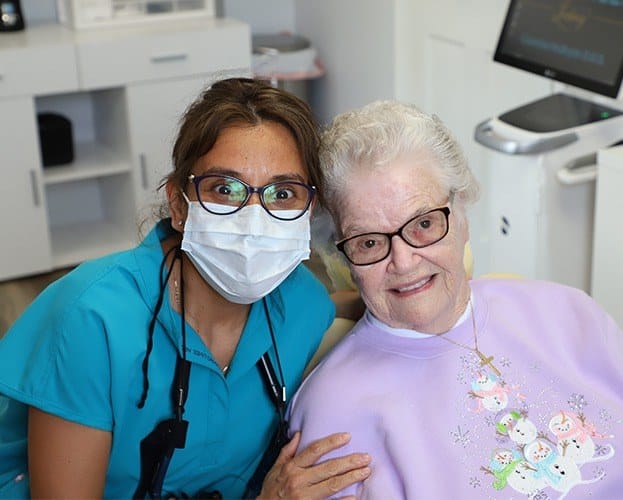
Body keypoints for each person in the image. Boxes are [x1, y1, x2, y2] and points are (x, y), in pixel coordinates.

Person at [0, 77, 371, 499]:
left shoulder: (301, 303)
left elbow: (349, 306)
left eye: (282, 192)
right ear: (179, 203)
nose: (253, 219)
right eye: (224, 189)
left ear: (309, 208)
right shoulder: (93, 319)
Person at [288, 100, 623, 499]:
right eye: (370, 242)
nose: (404, 261)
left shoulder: (571, 314)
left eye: (424, 224)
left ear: (461, 211)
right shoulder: (333, 414)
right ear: (341, 255)